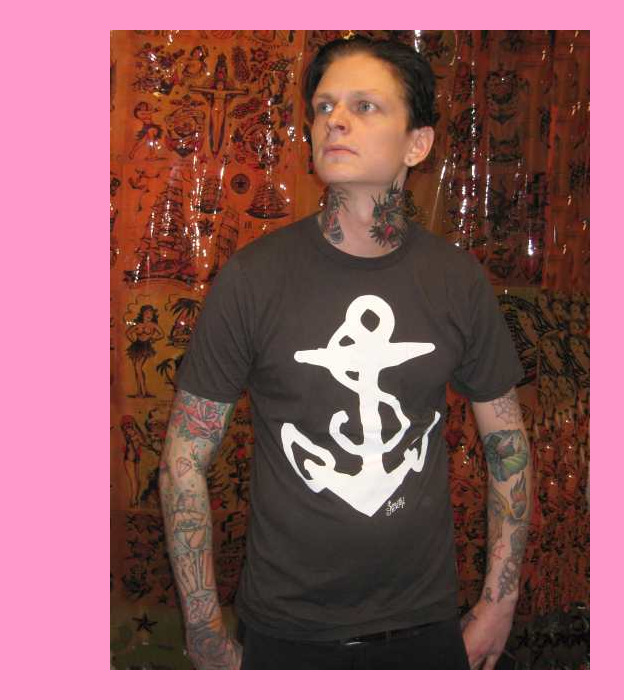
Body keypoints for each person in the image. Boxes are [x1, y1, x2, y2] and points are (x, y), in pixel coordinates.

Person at [159, 36, 532, 670]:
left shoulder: (456, 281)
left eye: (365, 105)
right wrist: (203, 628)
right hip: (285, 630)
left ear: (417, 144)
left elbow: (507, 446)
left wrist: (500, 603)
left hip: (423, 624)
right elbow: (183, 460)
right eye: (324, 106)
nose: (335, 120)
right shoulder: (253, 279)